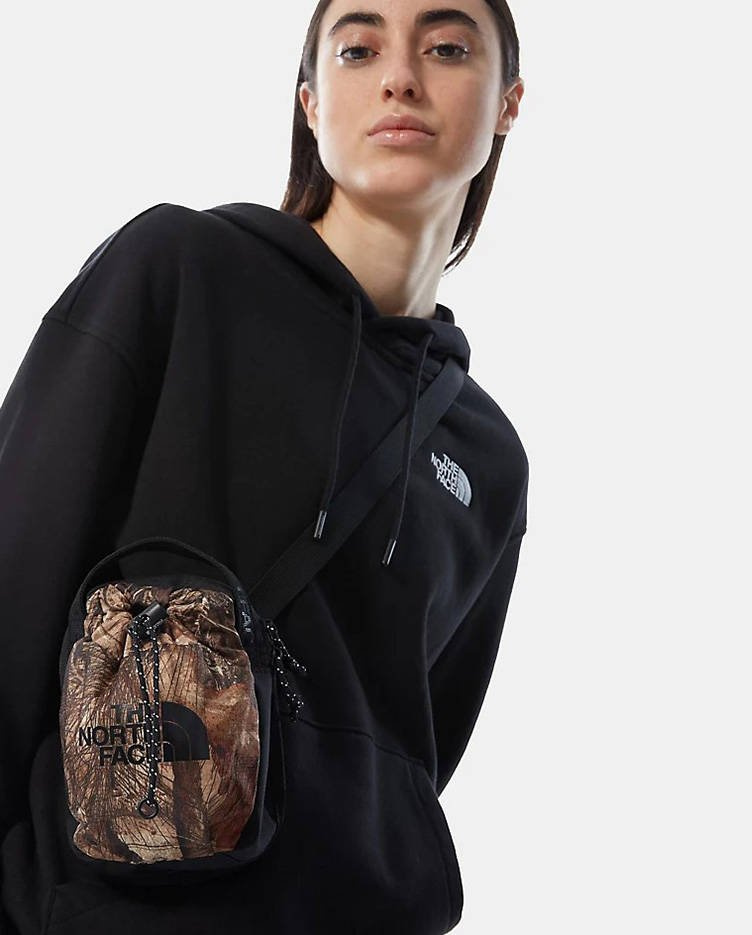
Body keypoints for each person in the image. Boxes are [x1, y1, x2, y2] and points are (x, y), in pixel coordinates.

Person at [0, 1, 527, 933]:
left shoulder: (487, 454)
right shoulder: (180, 270)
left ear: (506, 104)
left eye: (447, 48)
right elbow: (14, 576)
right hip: (121, 901)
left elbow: (419, 748)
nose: (399, 77)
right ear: (310, 104)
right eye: (357, 49)